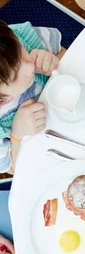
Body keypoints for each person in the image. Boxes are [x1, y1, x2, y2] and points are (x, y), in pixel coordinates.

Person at [0, 21, 62, 174]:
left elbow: (68, 55)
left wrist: (54, 63)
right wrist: (18, 135)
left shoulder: (18, 37)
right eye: (14, 76)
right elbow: (15, 168)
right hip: (50, 154)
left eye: (20, 49)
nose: (29, 66)